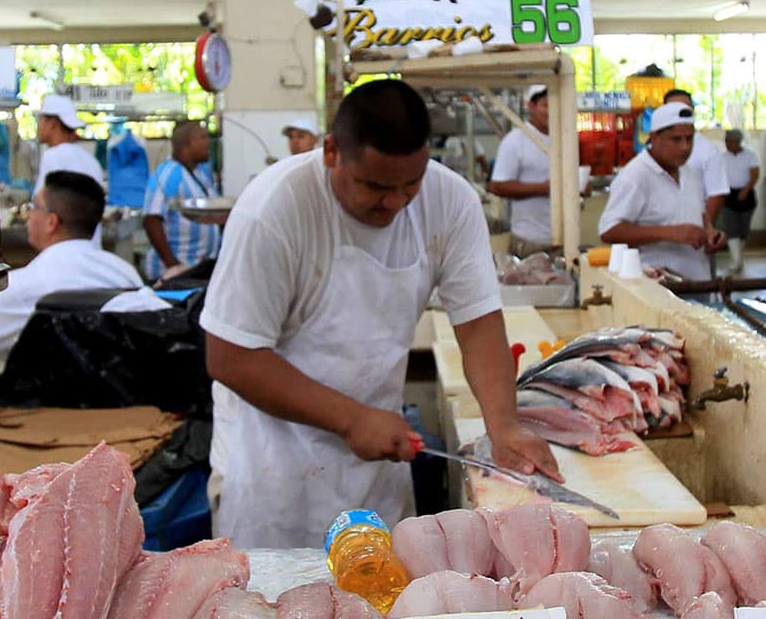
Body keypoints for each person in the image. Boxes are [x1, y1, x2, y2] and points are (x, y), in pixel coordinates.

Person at [200, 79, 559, 548]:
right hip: (274, 471)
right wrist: (351, 419)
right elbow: (230, 357)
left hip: (375, 465)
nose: (394, 202)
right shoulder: (275, 209)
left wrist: (504, 426)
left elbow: (478, 323)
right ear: (332, 152)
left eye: (410, 184)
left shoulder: (450, 201)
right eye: (374, 185)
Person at [0, 170, 145, 363]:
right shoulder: (125, 271)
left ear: (51, 222)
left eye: (33, 207)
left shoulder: (30, 284)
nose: (28, 215)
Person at [599, 102, 724, 281]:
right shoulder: (636, 175)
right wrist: (669, 233)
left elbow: (698, 216)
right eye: (676, 139)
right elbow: (609, 231)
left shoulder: (688, 172)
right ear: (654, 138)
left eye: (689, 139)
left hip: (697, 284)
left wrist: (710, 234)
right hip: (656, 289)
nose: (685, 147)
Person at [142, 120, 221, 282]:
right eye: (203, 137)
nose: (208, 142)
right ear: (187, 144)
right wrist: (174, 267)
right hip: (174, 274)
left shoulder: (200, 173)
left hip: (198, 270)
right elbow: (152, 220)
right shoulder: (168, 175)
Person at [487, 85, 556, 256]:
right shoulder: (516, 140)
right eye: (546, 105)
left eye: (556, 105)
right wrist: (545, 188)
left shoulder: (565, 137)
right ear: (531, 106)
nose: (552, 111)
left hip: (563, 239)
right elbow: (498, 186)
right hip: (529, 241)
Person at [660, 90, 730, 223]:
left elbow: (717, 194)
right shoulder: (655, 148)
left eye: (684, 109)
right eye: (673, 109)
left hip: (692, 226)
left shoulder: (708, 150)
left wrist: (704, 232)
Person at [33, 94, 104, 190]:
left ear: (52, 123)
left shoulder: (53, 156)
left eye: (41, 120)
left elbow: (42, 201)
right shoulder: (92, 162)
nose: (39, 127)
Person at [719, 129, 762, 273]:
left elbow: (755, 174)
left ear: (738, 142)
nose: (727, 144)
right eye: (726, 141)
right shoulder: (722, 157)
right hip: (729, 194)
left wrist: (746, 190)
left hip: (746, 194)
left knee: (743, 230)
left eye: (730, 141)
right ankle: (736, 261)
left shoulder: (750, 155)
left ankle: (738, 256)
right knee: (731, 229)